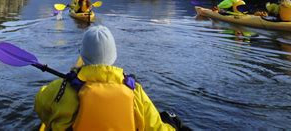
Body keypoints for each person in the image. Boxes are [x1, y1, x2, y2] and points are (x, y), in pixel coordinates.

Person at [35, 26, 182, 130]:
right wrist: (172, 124)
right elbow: (156, 128)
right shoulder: (134, 91)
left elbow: (40, 105)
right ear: (114, 56)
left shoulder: (61, 87)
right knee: (170, 119)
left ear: (83, 55)